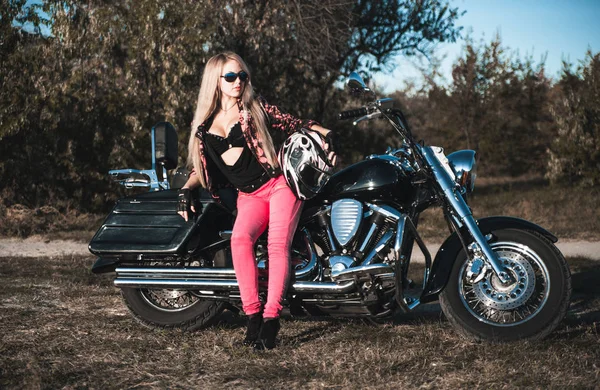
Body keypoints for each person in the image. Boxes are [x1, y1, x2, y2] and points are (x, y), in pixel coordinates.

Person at [177, 52, 335, 350]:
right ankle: (252, 317)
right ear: (216, 81)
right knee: (240, 241)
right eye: (231, 77)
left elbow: (296, 123)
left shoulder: (255, 108)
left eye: (242, 76)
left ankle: (271, 319)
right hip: (248, 196)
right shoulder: (203, 129)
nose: (239, 82)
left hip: (278, 185)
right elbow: (200, 168)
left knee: (277, 245)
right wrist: (186, 188)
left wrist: (327, 136)